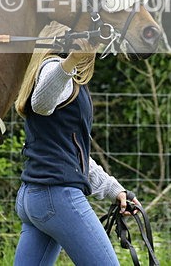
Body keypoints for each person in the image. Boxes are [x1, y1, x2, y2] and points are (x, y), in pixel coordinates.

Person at [14, 22, 140, 266]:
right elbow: (42, 102)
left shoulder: (58, 78)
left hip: (34, 195)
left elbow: (74, 153)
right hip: (57, 195)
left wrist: (115, 190)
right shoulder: (55, 70)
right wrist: (70, 62)